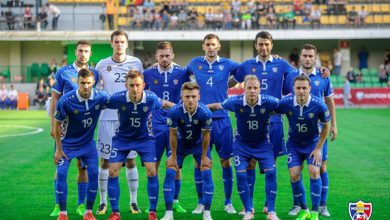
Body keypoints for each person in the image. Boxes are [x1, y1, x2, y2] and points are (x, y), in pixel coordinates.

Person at [208, 75, 281, 220]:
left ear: (260, 89)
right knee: (241, 175)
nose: (252, 91)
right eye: (249, 88)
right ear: (244, 88)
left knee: (271, 173)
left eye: (255, 88)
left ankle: (271, 212)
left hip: (263, 144)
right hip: (241, 145)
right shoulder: (235, 102)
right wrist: (198, 109)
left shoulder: (269, 101)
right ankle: (248, 211)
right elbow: (216, 106)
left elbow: (286, 106)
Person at [105, 70, 173, 220]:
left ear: (143, 85)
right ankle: (115, 212)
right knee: (113, 171)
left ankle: (152, 212)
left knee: (151, 170)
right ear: (126, 86)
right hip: (122, 138)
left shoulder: (151, 98)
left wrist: (179, 109)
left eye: (137, 85)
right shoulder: (118, 98)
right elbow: (102, 103)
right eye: (131, 85)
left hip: (144, 139)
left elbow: (164, 104)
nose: (134, 89)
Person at [186, 33, 239, 215]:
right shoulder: (194, 63)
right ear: (203, 46)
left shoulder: (228, 64)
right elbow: (179, 74)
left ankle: (228, 202)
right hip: (200, 120)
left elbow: (244, 72)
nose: (210, 47)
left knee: (226, 161)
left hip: (222, 119)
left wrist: (227, 85)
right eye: (207, 44)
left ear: (219, 46)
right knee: (200, 162)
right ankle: (201, 202)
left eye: (213, 44)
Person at [284, 44, 337, 217]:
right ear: (300, 57)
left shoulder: (323, 76)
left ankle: (322, 205)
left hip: (319, 133)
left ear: (315, 57)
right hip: (297, 132)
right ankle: (298, 205)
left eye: (310, 56)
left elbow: (330, 102)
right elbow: (285, 101)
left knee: (321, 168)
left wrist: (334, 125)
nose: (307, 58)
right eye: (305, 55)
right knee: (295, 172)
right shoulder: (291, 76)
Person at [95, 30, 143, 215]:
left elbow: (139, 87)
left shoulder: (136, 63)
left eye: (122, 41)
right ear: (111, 43)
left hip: (128, 119)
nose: (119, 44)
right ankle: (102, 202)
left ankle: (133, 202)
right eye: (116, 41)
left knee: (130, 160)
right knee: (105, 160)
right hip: (107, 118)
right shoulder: (101, 65)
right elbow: (96, 89)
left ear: (127, 43)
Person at [50, 40, 99, 217]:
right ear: (75, 52)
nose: (83, 54)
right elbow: (55, 99)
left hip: (85, 131)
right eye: (80, 51)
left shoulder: (95, 73)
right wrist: (52, 124)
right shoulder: (63, 72)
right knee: (60, 167)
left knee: (83, 168)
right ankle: (58, 204)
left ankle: (80, 204)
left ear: (90, 54)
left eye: (86, 51)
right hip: (65, 129)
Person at [53, 69, 109, 220]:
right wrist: (58, 149)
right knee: (62, 174)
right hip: (67, 144)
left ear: (93, 83)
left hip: (87, 144)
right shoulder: (65, 100)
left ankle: (88, 212)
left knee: (93, 173)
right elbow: (57, 125)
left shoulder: (101, 96)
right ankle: (63, 213)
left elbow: (117, 102)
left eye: (89, 83)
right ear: (77, 82)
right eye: (82, 83)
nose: (86, 86)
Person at [143, 41, 190, 214]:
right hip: (154, 126)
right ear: (156, 56)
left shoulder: (182, 73)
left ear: (173, 55)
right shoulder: (147, 74)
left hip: (176, 126)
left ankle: (175, 201)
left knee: (175, 165)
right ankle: (153, 205)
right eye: (161, 56)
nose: (164, 59)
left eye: (167, 55)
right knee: (153, 165)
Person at [275, 74, 330, 220]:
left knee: (313, 171)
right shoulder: (286, 102)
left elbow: (326, 127)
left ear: (310, 88)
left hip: (312, 144)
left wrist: (318, 148)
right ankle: (304, 209)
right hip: (294, 145)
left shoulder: (319, 105)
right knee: (294, 174)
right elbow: (271, 110)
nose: (301, 91)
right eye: (298, 88)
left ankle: (314, 212)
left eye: (304, 88)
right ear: (293, 89)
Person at [160, 82, 214, 220]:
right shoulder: (174, 111)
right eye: (187, 96)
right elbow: (172, 135)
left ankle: (207, 212)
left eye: (194, 97)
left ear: (199, 97)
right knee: (171, 170)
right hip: (180, 145)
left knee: (206, 171)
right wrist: (172, 156)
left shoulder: (205, 113)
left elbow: (206, 136)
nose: (190, 100)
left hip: (198, 144)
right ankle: (168, 213)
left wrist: (204, 157)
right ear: (181, 96)